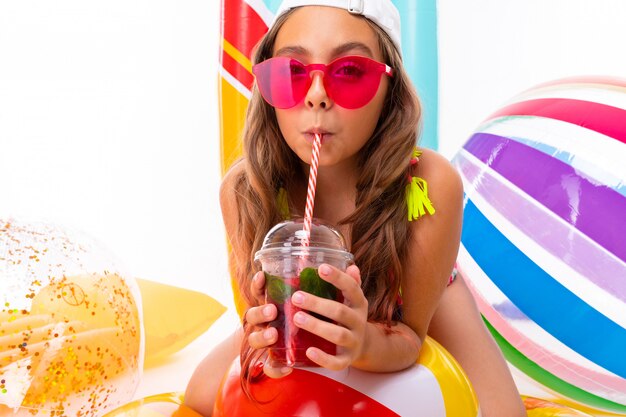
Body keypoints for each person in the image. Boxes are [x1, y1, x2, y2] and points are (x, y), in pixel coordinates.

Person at [186, 1, 526, 416]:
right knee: (202, 393)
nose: (316, 96)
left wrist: (362, 342)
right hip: (312, 315)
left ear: (390, 91)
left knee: (503, 414)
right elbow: (259, 323)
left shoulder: (428, 182)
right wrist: (263, 326)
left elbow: (407, 337)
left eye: (349, 72)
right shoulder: (245, 191)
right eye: (291, 73)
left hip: (409, 304)